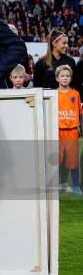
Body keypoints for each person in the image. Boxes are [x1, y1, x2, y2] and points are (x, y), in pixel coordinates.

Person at [56, 65, 82, 195]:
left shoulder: (75, 94)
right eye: (62, 76)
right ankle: (60, 184)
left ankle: (76, 186)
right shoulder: (53, 94)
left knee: (73, 160)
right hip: (58, 131)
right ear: (57, 78)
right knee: (59, 159)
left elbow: (80, 112)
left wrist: (81, 126)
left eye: (67, 76)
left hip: (72, 131)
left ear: (71, 78)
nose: (65, 78)